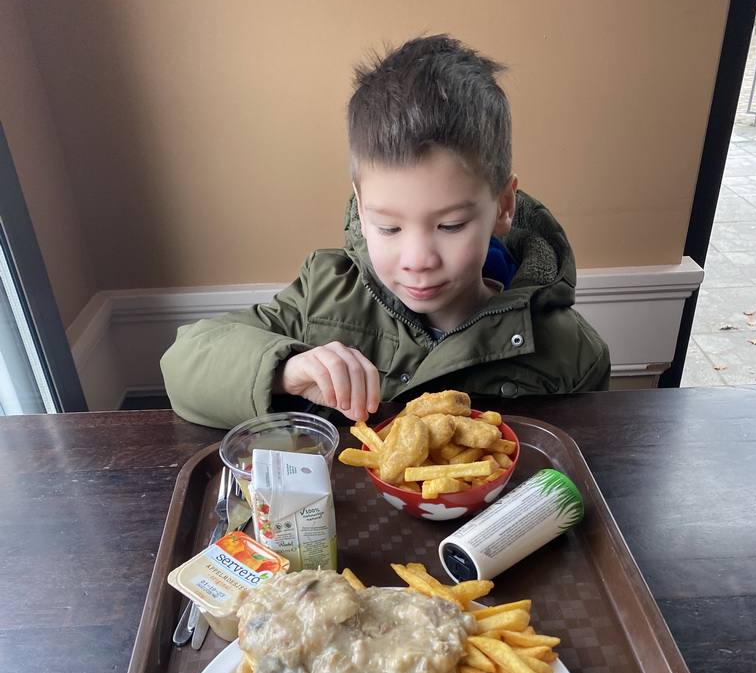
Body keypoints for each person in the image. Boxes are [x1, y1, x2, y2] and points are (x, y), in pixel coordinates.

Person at [161, 35, 610, 429]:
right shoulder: (326, 294)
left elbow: (580, 474)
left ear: (503, 207)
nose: (417, 258)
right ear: (361, 208)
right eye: (389, 226)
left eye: (450, 225)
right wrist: (286, 369)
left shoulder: (570, 352)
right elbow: (186, 361)